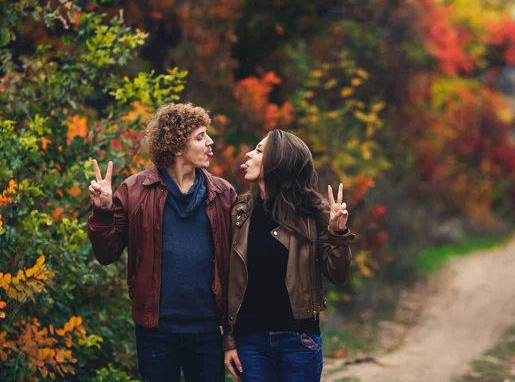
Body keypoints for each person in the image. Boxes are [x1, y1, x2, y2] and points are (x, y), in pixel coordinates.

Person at [87, 103, 236, 382]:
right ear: (177, 146)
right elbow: (107, 254)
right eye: (200, 136)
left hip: (208, 330)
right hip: (156, 330)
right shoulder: (133, 191)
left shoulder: (223, 193)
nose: (210, 142)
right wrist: (103, 210)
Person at [223, 129, 354, 382]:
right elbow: (227, 279)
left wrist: (338, 234)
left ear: (279, 162)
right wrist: (229, 340)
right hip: (250, 343)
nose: (249, 154)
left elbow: (338, 275)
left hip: (299, 342)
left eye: (259, 150)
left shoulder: (313, 214)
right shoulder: (239, 213)